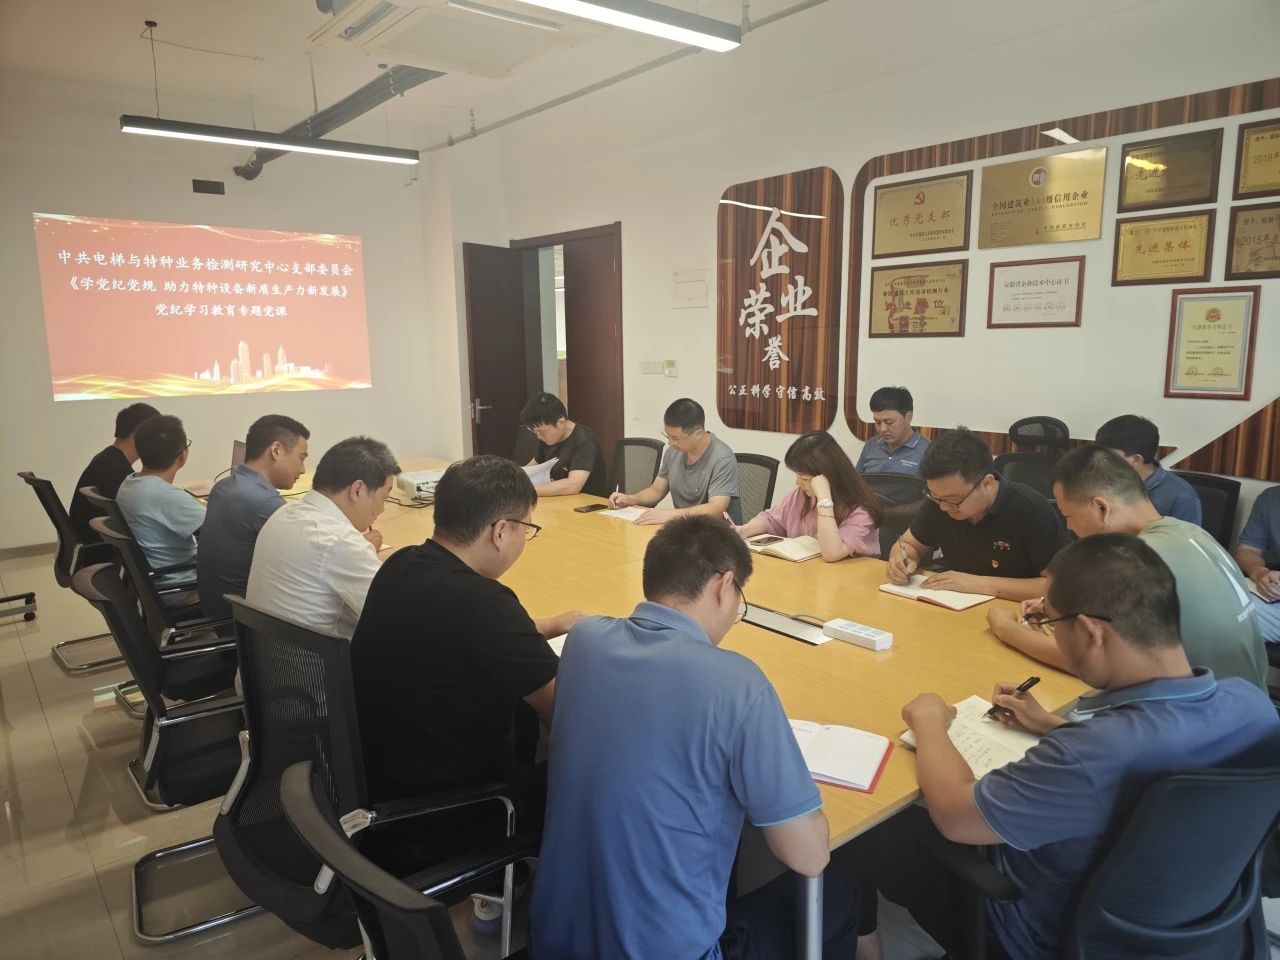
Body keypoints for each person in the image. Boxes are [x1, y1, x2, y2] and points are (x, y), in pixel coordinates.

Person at [850, 534, 1280, 960]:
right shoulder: (1254, 708)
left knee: (867, 831)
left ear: (1091, 632)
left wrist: (930, 723)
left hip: (1044, 934)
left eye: (1052, 624)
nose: (1051, 634)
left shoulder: (1090, 752)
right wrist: (1053, 725)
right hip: (1193, 923)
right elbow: (1149, 756)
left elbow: (957, 819)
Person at [531, 516, 858, 960]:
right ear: (724, 586)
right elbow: (809, 857)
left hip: (554, 940)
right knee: (841, 890)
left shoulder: (584, 641)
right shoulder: (738, 683)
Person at [352, 454, 580, 804]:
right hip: (455, 805)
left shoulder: (401, 564)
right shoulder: (483, 602)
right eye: (526, 529)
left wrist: (553, 624)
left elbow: (470, 635)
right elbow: (566, 706)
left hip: (382, 778)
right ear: (500, 531)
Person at [987, 445, 1267, 689]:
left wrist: (1006, 628)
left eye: (1068, 515)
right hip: (1249, 706)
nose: (1069, 528)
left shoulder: (1133, 560)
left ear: (1101, 508)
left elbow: (1083, 662)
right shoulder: (1192, 533)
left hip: (1199, 718)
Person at [886, 427, 1069, 601]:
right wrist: (901, 559)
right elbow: (909, 544)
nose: (943, 508)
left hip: (1013, 610)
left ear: (987, 483)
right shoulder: (940, 499)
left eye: (953, 499)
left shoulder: (1029, 508)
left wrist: (979, 584)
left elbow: (1061, 586)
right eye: (935, 496)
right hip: (953, 605)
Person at [246, 436, 397, 639]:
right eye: (384, 497)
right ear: (357, 490)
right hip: (316, 659)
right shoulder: (340, 542)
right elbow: (398, 617)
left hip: (267, 655)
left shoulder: (281, 515)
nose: (382, 509)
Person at [196, 415, 310, 621]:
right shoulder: (267, 504)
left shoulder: (222, 487)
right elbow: (311, 563)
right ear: (276, 450)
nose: (302, 469)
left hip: (215, 611)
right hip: (244, 624)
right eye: (301, 458)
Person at [732, 430, 881, 562]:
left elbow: (832, 553)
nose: (797, 483)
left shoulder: (860, 509)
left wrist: (824, 499)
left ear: (827, 477)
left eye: (804, 478)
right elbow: (770, 519)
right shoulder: (801, 496)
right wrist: (747, 529)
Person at [608, 398, 742, 524]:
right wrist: (630, 499)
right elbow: (656, 491)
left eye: (675, 438)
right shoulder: (673, 452)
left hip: (717, 533)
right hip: (684, 528)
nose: (670, 443)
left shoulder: (722, 458)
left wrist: (670, 515)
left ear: (698, 433)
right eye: (668, 436)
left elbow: (716, 509)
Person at [114, 414, 205, 583]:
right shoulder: (166, 496)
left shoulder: (128, 483)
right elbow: (219, 530)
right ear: (183, 455)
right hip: (179, 583)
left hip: (148, 581)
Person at [69, 402, 159, 542]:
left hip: (90, 540)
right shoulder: (118, 472)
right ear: (137, 433)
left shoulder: (107, 458)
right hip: (102, 546)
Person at [1095, 414, 1202, 525]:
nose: (1100, 460)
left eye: (1108, 456)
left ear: (1135, 460)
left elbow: (1186, 536)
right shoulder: (1101, 482)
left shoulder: (1183, 497)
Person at [519, 392, 609, 498]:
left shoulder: (585, 439)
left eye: (541, 431)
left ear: (560, 422)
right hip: (560, 500)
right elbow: (532, 468)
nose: (538, 437)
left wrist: (526, 491)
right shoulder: (548, 439)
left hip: (587, 502)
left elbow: (573, 485)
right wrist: (514, 481)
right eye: (535, 432)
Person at [1235, 483, 1280, 644]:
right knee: (1216, 613)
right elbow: (1247, 550)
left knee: (1232, 627)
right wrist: (1260, 572)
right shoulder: (1271, 497)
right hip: (1273, 598)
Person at [855, 386, 930, 475]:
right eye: (878, 422)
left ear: (908, 417)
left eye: (889, 422)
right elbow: (856, 481)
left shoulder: (928, 451)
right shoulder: (872, 444)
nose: (883, 429)